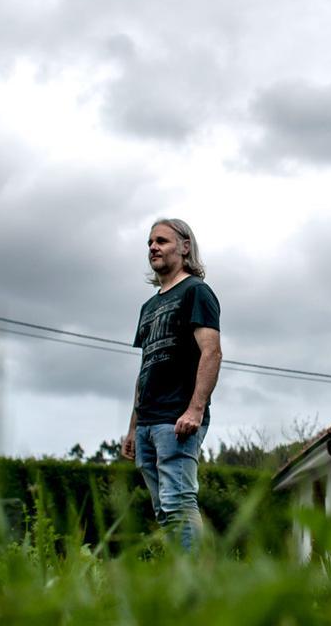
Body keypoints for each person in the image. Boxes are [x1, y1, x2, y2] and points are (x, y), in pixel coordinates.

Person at [120, 218, 222, 550]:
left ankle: (194, 587)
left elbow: (212, 352)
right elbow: (146, 367)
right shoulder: (148, 306)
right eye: (150, 243)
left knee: (179, 503)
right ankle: (180, 577)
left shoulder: (196, 292)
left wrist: (195, 409)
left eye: (162, 241)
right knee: (164, 512)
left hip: (177, 420)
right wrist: (133, 427)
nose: (153, 247)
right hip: (148, 423)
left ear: (185, 246)